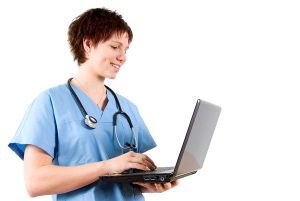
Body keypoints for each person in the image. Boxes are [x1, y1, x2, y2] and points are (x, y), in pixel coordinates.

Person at [8, 7, 178, 201]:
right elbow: (35, 183)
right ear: (88, 44)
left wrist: (151, 185)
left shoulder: (128, 109)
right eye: (115, 47)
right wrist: (106, 166)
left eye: (125, 49)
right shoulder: (50, 103)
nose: (123, 57)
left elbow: (125, 181)